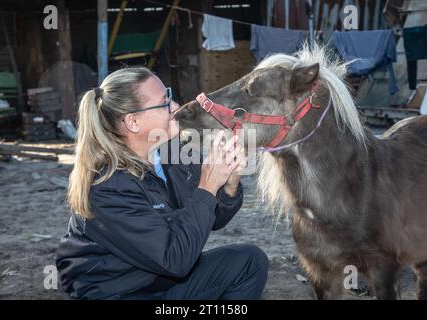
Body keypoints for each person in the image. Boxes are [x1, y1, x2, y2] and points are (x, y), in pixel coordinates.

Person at [56, 67, 269, 300]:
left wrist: (228, 185)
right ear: (133, 121)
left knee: (249, 261)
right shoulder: (106, 185)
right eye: (164, 103)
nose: (176, 107)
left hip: (159, 279)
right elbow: (174, 259)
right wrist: (207, 186)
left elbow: (210, 218)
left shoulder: (172, 152)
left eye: (171, 97)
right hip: (119, 292)